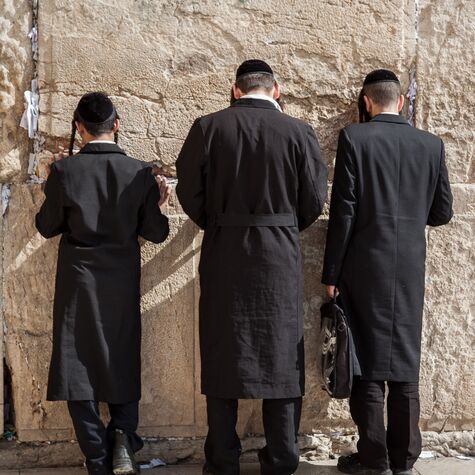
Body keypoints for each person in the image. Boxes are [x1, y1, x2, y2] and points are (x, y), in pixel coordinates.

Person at [176, 59, 328, 475]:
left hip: (225, 251)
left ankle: (222, 458)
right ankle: (282, 456)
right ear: (276, 90)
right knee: (281, 353)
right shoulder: (299, 133)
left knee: (224, 347)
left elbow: (188, 190)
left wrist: (219, 220)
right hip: (278, 255)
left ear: (235, 90)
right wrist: (281, 223)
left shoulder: (208, 127)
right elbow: (314, 199)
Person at [322, 70, 453, 475]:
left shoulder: (355, 139)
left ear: (366, 101)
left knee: (367, 363)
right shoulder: (431, 145)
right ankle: (404, 458)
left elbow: (343, 211)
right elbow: (442, 212)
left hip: (363, 267)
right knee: (404, 362)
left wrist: (331, 272)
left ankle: (373, 456)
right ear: (401, 101)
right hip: (409, 269)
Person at [36, 92, 171, 475]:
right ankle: (123, 440)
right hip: (122, 280)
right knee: (121, 356)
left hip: (79, 281)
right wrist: (157, 205)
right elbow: (155, 233)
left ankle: (97, 457)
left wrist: (52, 183)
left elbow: (47, 227)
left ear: (79, 128)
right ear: (116, 125)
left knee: (76, 363)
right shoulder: (140, 173)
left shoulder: (65, 173)